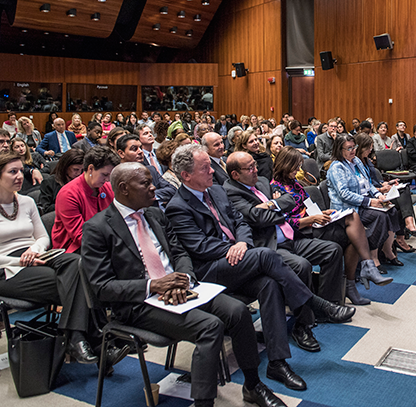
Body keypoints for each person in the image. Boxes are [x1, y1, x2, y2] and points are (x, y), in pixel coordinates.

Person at [82, 163, 288, 407]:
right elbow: (102, 287)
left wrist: (184, 279)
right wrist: (154, 285)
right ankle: (204, 403)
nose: (153, 188)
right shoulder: (98, 228)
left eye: (151, 182)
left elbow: (180, 253)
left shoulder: (155, 214)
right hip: (139, 303)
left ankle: (253, 385)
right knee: (210, 327)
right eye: (145, 184)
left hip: (182, 289)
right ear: (124, 189)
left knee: (237, 311)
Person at [165, 146, 354, 386]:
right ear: (186, 175)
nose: (213, 170)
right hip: (211, 270)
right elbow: (200, 247)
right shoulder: (177, 206)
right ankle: (315, 304)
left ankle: (277, 363)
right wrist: (236, 248)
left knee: (270, 285)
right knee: (266, 255)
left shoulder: (216, 192)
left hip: (239, 259)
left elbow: (241, 221)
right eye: (205, 167)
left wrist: (242, 242)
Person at [0, 151, 98, 363]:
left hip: (37, 255)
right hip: (7, 269)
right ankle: (91, 341)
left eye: (20, 170)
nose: (20, 176)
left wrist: (34, 250)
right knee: (79, 283)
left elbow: (43, 238)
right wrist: (19, 260)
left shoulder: (26, 202)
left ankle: (77, 339)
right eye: (13, 172)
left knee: (79, 263)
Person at [224, 151, 347, 314]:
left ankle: (327, 306)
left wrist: (270, 204)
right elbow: (257, 218)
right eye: (250, 167)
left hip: (291, 236)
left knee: (333, 250)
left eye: (255, 164)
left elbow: (289, 200)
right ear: (235, 174)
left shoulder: (261, 182)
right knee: (302, 266)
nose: (256, 169)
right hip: (271, 244)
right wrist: (277, 206)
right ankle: (304, 322)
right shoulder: (231, 192)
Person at [271, 146, 391, 305]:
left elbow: (307, 206)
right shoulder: (275, 188)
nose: (298, 170)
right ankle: (361, 274)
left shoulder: (295, 184)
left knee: (352, 221)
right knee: (352, 234)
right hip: (302, 232)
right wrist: (312, 219)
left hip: (314, 224)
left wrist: (323, 212)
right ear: (285, 164)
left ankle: (355, 279)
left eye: (299, 166)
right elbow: (283, 223)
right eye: (295, 166)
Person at [327, 134, 402, 269]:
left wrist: (378, 195)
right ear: (340, 149)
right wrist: (369, 202)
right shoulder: (336, 167)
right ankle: (372, 257)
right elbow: (344, 194)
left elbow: (368, 184)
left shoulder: (357, 161)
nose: (353, 150)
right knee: (380, 216)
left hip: (365, 201)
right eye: (348, 148)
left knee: (392, 211)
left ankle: (387, 250)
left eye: (354, 147)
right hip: (349, 208)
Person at [354, 134, 416, 251]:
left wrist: (385, 184)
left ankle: (406, 227)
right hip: (371, 196)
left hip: (378, 190)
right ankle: (403, 234)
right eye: (368, 148)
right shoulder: (355, 164)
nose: (370, 151)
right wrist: (380, 190)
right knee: (397, 206)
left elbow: (374, 180)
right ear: (361, 148)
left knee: (404, 190)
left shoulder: (366, 160)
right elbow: (364, 187)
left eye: (371, 148)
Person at [52, 146, 119, 254]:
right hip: (73, 249)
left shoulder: (107, 188)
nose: (107, 179)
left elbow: (117, 221)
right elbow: (80, 236)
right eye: (105, 174)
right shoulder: (68, 194)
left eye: (110, 175)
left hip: (103, 242)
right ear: (90, 169)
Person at [116, 134, 176, 207]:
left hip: (154, 215)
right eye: (135, 149)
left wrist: (149, 194)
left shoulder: (151, 170)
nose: (140, 151)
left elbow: (172, 189)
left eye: (141, 148)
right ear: (121, 153)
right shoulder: (115, 175)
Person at [39, 148, 85, 214]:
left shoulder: (83, 181)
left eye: (82, 170)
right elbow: (45, 209)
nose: (79, 173)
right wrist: (69, 203)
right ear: (65, 167)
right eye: (76, 169)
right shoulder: (49, 183)